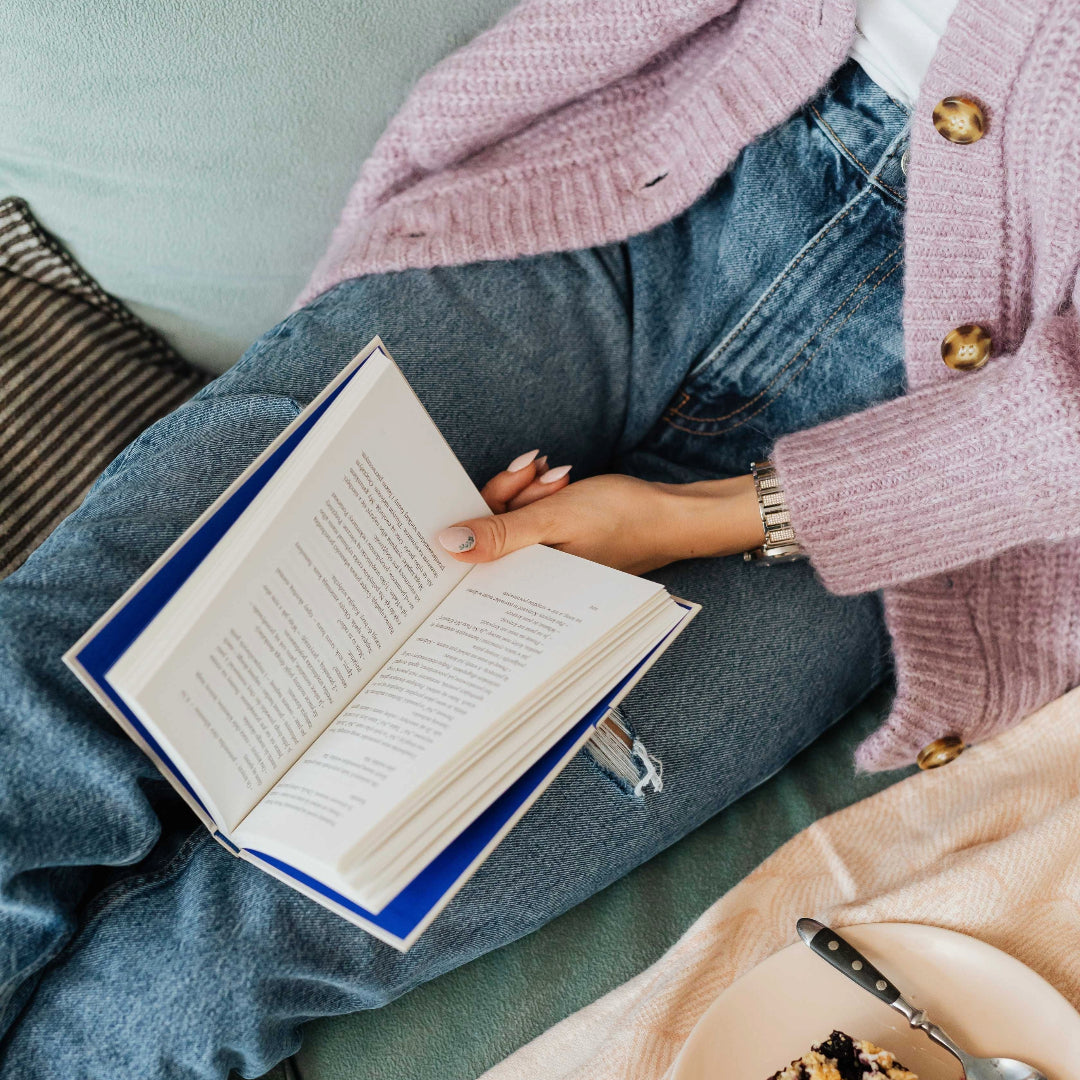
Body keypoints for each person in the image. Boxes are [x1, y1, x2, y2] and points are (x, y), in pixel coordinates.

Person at [1, 0, 1078, 1075]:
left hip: (959, 452)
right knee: (60, 701)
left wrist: (698, 518)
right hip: (644, 181)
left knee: (236, 957)